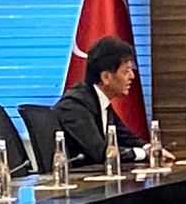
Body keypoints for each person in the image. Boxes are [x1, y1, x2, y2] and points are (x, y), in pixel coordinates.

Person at [56, 36, 149, 167]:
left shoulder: (100, 101)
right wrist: (142, 153)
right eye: (126, 71)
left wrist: (149, 147)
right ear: (105, 77)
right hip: (78, 178)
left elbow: (126, 138)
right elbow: (101, 152)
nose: (132, 76)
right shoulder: (75, 106)